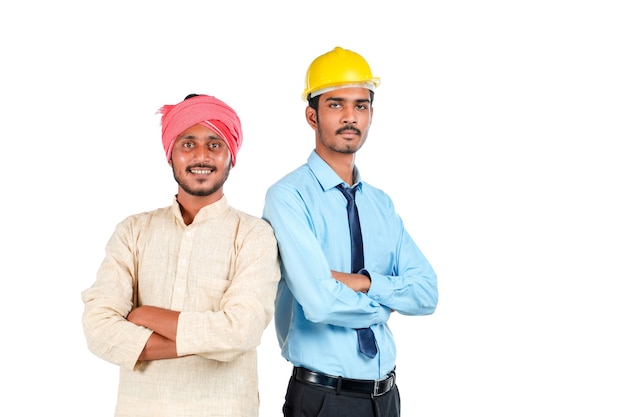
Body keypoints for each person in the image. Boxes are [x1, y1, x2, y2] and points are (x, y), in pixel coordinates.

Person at [262, 46, 438, 417]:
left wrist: (365, 282)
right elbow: (320, 302)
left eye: (360, 106)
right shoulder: (288, 197)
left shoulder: (381, 204)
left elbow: (427, 293)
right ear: (312, 115)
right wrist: (388, 304)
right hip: (324, 398)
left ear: (371, 114)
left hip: (387, 397)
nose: (350, 117)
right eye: (336, 104)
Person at [82, 94, 280, 417]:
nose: (201, 155)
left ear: (231, 155)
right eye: (188, 143)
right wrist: (208, 343)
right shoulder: (133, 232)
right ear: (170, 154)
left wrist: (145, 315)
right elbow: (98, 329)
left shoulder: (253, 235)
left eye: (214, 144)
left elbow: (241, 330)